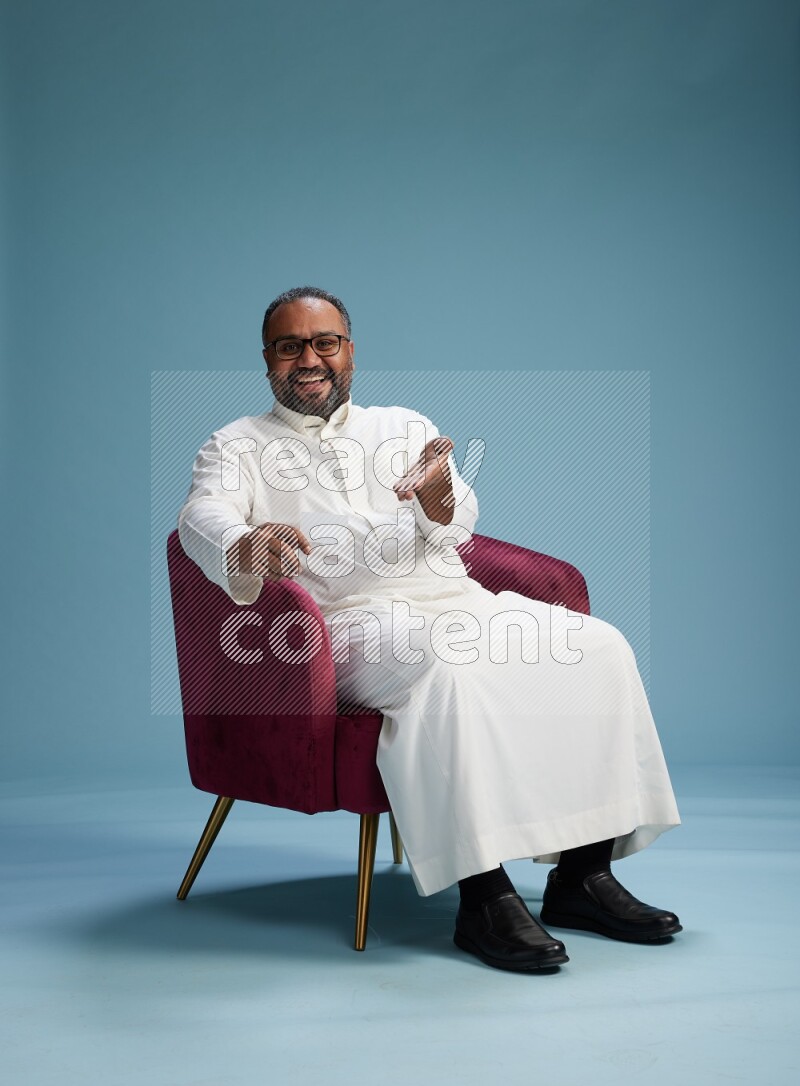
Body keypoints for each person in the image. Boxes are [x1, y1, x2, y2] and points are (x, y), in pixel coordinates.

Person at [178, 285, 682, 973]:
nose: (309, 359)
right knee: (450, 668)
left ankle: (583, 877)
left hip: (452, 597)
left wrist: (439, 495)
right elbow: (198, 520)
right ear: (267, 359)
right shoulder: (235, 444)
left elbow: (456, 521)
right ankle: (483, 898)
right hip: (342, 627)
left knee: (599, 648)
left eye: (325, 342)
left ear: (349, 350)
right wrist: (244, 542)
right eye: (290, 345)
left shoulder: (403, 424)